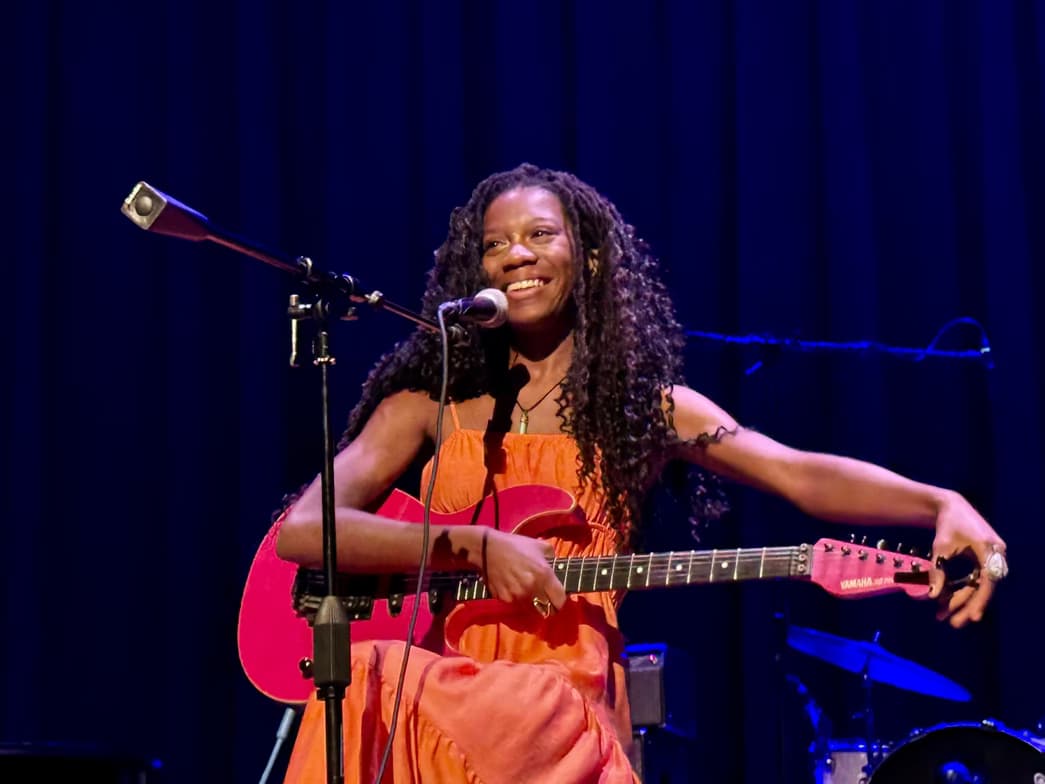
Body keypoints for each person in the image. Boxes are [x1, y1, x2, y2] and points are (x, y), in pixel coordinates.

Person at [274, 163, 1006, 783]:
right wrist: (474, 547)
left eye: (538, 235)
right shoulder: (426, 404)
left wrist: (940, 502)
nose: (514, 256)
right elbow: (306, 531)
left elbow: (798, 474)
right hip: (431, 674)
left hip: (554, 703)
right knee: (365, 672)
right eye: (494, 246)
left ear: (587, 258)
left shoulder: (643, 409)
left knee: (530, 703)